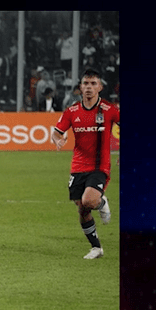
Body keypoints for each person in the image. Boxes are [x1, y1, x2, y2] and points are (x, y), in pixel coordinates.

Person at [50, 68, 120, 260]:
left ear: (100, 87)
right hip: (78, 167)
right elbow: (56, 132)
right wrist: (57, 139)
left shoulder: (109, 110)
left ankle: (101, 201)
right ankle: (96, 248)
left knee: (89, 201)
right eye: (86, 84)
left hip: (99, 166)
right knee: (82, 208)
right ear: (80, 87)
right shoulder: (72, 111)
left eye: (93, 84)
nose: (89, 87)